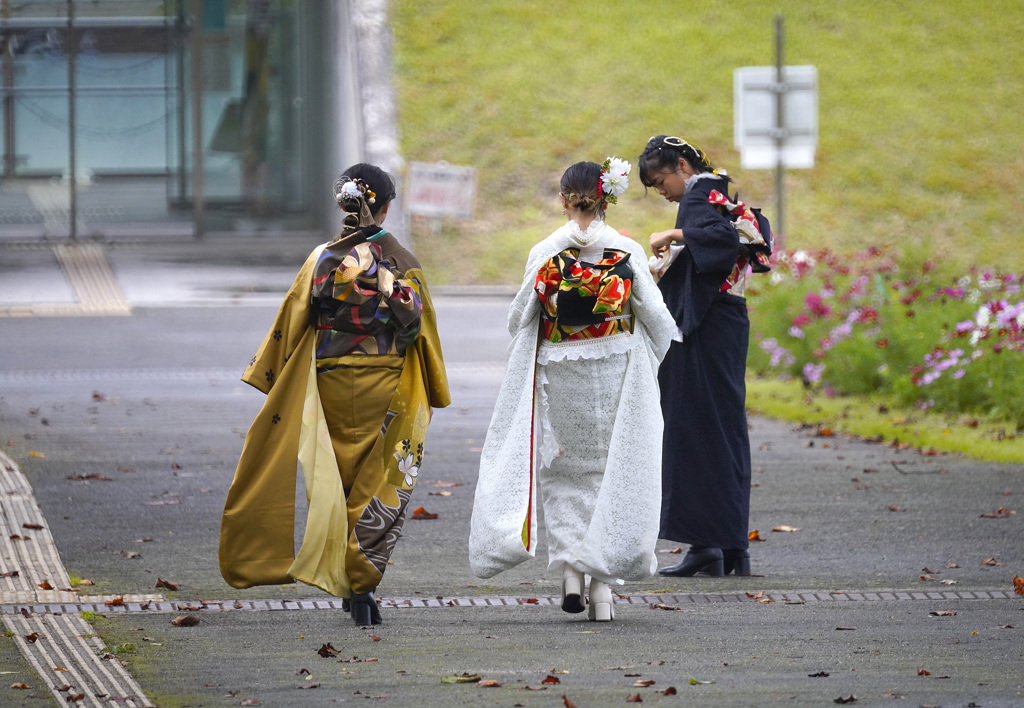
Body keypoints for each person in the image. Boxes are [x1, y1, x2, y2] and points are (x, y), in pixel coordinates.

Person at [219, 163, 451, 625]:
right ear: (385, 207)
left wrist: (271, 374)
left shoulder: (322, 259)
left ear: (342, 203)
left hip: (328, 379)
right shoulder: (401, 260)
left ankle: (344, 581)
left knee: (334, 480)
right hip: (386, 384)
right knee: (379, 485)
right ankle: (362, 587)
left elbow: (293, 318)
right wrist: (436, 386)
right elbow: (421, 328)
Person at [469, 159, 675, 621]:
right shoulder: (624, 249)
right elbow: (658, 319)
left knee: (564, 472)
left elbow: (517, 319)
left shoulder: (546, 249)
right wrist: (648, 360)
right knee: (609, 472)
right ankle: (602, 591)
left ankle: (569, 574)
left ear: (563, 199)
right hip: (615, 365)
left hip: (562, 370)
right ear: (608, 197)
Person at [638, 135, 766, 577]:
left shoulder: (697, 197)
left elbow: (721, 242)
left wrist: (672, 234)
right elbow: (740, 238)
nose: (662, 192)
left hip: (706, 327)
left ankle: (706, 544)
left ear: (681, 166)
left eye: (660, 181)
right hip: (728, 321)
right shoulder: (721, 191)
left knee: (693, 429)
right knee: (725, 431)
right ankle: (730, 547)